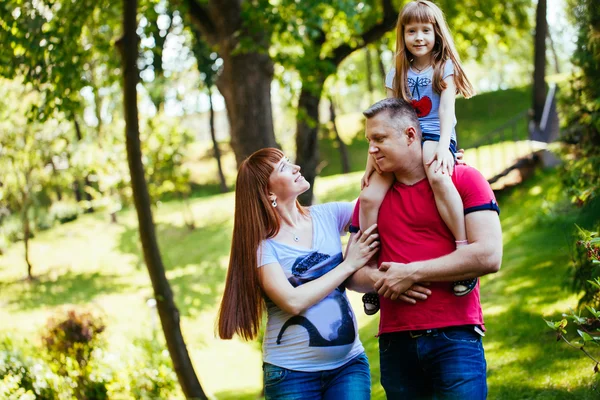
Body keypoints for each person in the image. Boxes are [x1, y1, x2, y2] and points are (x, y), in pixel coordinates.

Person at [347, 97, 503, 399]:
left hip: (455, 336)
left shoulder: (463, 179)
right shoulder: (372, 199)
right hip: (395, 342)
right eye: (369, 140)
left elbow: (488, 255)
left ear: (410, 135)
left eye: (379, 139)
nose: (371, 149)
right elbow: (353, 272)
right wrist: (387, 281)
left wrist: (412, 273)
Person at [217, 147, 380, 400]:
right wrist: (349, 264)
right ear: (268, 191)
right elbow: (292, 301)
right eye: (283, 167)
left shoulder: (328, 216)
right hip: (292, 376)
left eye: (290, 161)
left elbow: (377, 201)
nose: (296, 168)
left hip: (348, 366)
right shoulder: (263, 248)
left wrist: (432, 158)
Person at [360, 0, 477, 315]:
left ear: (437, 33)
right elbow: (386, 118)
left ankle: (463, 253)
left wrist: (442, 146)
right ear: (403, 34)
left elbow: (446, 111)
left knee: (437, 174)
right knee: (370, 196)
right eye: (412, 30)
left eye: (426, 29)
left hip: (436, 134)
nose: (419, 36)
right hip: (403, 137)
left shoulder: (444, 67)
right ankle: (371, 271)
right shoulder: (396, 71)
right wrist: (372, 162)